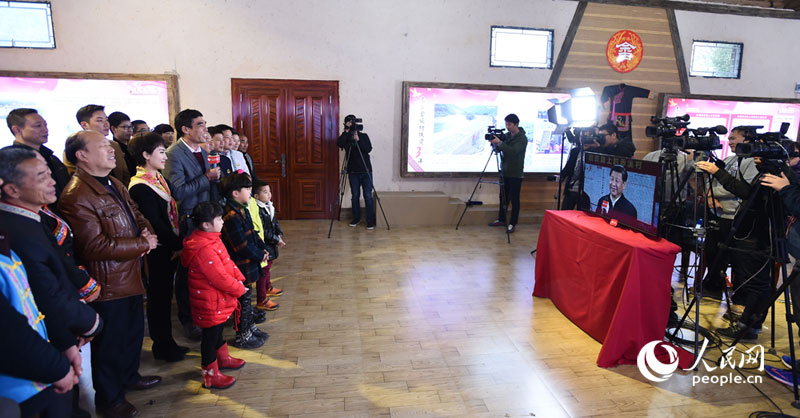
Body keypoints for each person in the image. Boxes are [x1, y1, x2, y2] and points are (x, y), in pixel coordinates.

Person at [59, 130, 161, 417]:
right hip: (108, 283)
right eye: (103, 146)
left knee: (131, 335)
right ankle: (110, 399)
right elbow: (94, 246)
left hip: (130, 273)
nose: (112, 149)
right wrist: (143, 243)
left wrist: (146, 231)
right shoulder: (76, 194)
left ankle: (129, 377)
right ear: (82, 155)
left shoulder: (114, 182)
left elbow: (136, 214)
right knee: (110, 345)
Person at [697, 150, 774, 341]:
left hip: (757, 235)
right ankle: (747, 324)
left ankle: (748, 326)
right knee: (752, 278)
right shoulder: (757, 169)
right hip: (748, 229)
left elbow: (745, 191)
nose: (755, 152)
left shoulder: (778, 175)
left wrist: (717, 171)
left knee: (756, 281)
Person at [128, 133, 188, 362]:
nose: (165, 156)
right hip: (158, 250)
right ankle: (162, 346)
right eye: (161, 152)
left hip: (169, 246)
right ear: (145, 155)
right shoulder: (140, 186)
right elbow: (155, 223)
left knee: (164, 296)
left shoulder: (158, 179)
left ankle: (168, 343)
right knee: (158, 299)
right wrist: (178, 244)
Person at [163, 109, 220, 341]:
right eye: (199, 124)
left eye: (205, 123)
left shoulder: (203, 151)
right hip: (188, 220)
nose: (205, 128)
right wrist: (206, 178)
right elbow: (178, 192)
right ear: (185, 129)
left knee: (205, 271)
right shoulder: (174, 154)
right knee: (187, 275)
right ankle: (188, 320)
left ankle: (205, 313)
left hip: (206, 217)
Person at [181, 202, 247, 389]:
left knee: (217, 332)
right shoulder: (204, 248)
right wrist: (239, 289)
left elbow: (228, 263)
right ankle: (210, 375)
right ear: (205, 225)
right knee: (210, 338)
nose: (222, 222)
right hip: (210, 302)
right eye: (219, 219)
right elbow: (219, 278)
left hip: (218, 300)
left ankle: (223, 359)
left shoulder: (213, 238)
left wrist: (239, 278)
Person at [700, 127, 759, 302]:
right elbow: (711, 182)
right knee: (713, 254)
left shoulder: (752, 162)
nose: (730, 141)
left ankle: (739, 298)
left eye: (734, 138)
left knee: (736, 259)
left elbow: (745, 191)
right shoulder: (728, 159)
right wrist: (709, 196)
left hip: (735, 218)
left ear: (746, 140)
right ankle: (714, 287)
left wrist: (716, 173)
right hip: (715, 213)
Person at [220, 173, 269, 348]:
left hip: (249, 262)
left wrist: (263, 248)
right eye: (247, 189)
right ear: (235, 193)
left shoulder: (242, 208)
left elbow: (253, 233)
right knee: (242, 300)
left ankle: (250, 326)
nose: (250, 192)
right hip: (240, 265)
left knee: (247, 298)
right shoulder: (231, 215)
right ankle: (242, 335)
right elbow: (240, 246)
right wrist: (258, 254)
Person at [5, 108, 71, 203]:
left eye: (45, 125)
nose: (45, 129)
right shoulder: (12, 161)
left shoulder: (51, 157)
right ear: (17, 130)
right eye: (38, 126)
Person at [248, 180, 284, 311]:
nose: (269, 195)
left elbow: (275, 223)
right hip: (265, 245)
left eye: (269, 192)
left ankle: (268, 287)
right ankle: (261, 299)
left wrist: (279, 234)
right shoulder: (257, 209)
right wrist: (276, 239)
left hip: (271, 244)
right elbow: (264, 230)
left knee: (268, 268)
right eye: (265, 192)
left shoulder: (268, 205)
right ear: (256, 196)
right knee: (263, 272)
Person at [488, 113, 527, 233]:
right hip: (504, 171)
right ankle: (502, 219)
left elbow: (512, 151)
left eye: (509, 124)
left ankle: (512, 223)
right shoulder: (507, 136)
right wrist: (494, 144)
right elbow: (501, 149)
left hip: (515, 173)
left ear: (516, 124)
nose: (507, 126)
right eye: (506, 124)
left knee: (514, 199)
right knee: (503, 197)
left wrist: (499, 142)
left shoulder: (522, 138)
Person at [336, 115, 375, 229]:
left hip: (366, 170)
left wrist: (358, 140)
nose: (350, 124)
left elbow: (368, 149)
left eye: (352, 122)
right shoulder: (346, 137)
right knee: (355, 195)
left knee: (368, 196)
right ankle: (356, 218)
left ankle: (370, 220)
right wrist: (346, 132)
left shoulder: (363, 136)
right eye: (348, 122)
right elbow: (339, 144)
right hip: (353, 171)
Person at [107, 111, 136, 186]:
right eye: (125, 127)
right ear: (114, 129)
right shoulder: (112, 149)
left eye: (131, 126)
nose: (130, 130)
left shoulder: (134, 146)